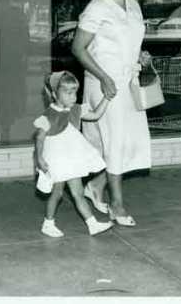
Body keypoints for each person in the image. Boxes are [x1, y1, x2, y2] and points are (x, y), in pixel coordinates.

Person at [72, 0, 152, 227]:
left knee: (128, 143)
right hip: (104, 86)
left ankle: (95, 187)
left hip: (127, 82)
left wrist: (140, 55)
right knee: (115, 142)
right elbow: (78, 48)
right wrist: (104, 77)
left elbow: (130, 41)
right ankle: (116, 205)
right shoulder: (97, 8)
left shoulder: (134, 5)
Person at [34, 71, 113, 237]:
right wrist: (39, 158)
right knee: (57, 193)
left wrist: (106, 98)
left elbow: (96, 114)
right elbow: (40, 138)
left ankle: (92, 224)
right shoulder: (49, 115)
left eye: (75, 92)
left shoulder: (76, 110)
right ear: (55, 94)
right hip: (57, 161)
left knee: (78, 193)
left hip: (71, 161)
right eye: (68, 93)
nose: (73, 97)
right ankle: (48, 223)